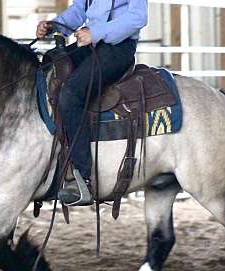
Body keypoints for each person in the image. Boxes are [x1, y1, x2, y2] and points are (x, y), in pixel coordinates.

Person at [36, 0, 148, 206]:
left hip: (118, 48)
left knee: (70, 94)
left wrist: (95, 32)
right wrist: (55, 25)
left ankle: (82, 178)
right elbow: (80, 9)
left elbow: (138, 18)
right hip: (91, 44)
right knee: (48, 66)